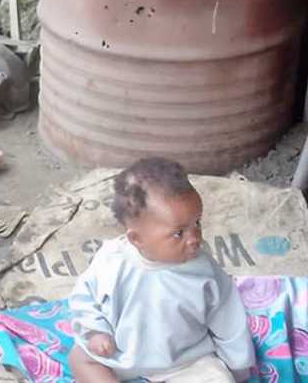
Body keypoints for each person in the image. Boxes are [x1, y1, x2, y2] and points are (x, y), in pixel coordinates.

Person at [67, 158, 256, 383]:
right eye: (179, 233)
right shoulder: (112, 260)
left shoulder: (205, 271)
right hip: (123, 354)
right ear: (137, 239)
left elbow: (229, 321)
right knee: (81, 359)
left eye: (197, 223)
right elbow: (84, 296)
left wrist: (238, 367)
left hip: (184, 361)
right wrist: (96, 331)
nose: (195, 238)